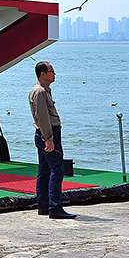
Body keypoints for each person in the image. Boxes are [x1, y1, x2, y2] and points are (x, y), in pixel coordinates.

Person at [29, 61, 76, 219]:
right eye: (52, 71)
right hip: (48, 134)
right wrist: (48, 138)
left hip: (45, 134)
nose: (54, 74)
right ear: (43, 74)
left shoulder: (43, 91)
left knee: (44, 170)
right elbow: (43, 117)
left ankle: (44, 206)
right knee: (57, 169)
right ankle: (55, 207)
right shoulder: (40, 92)